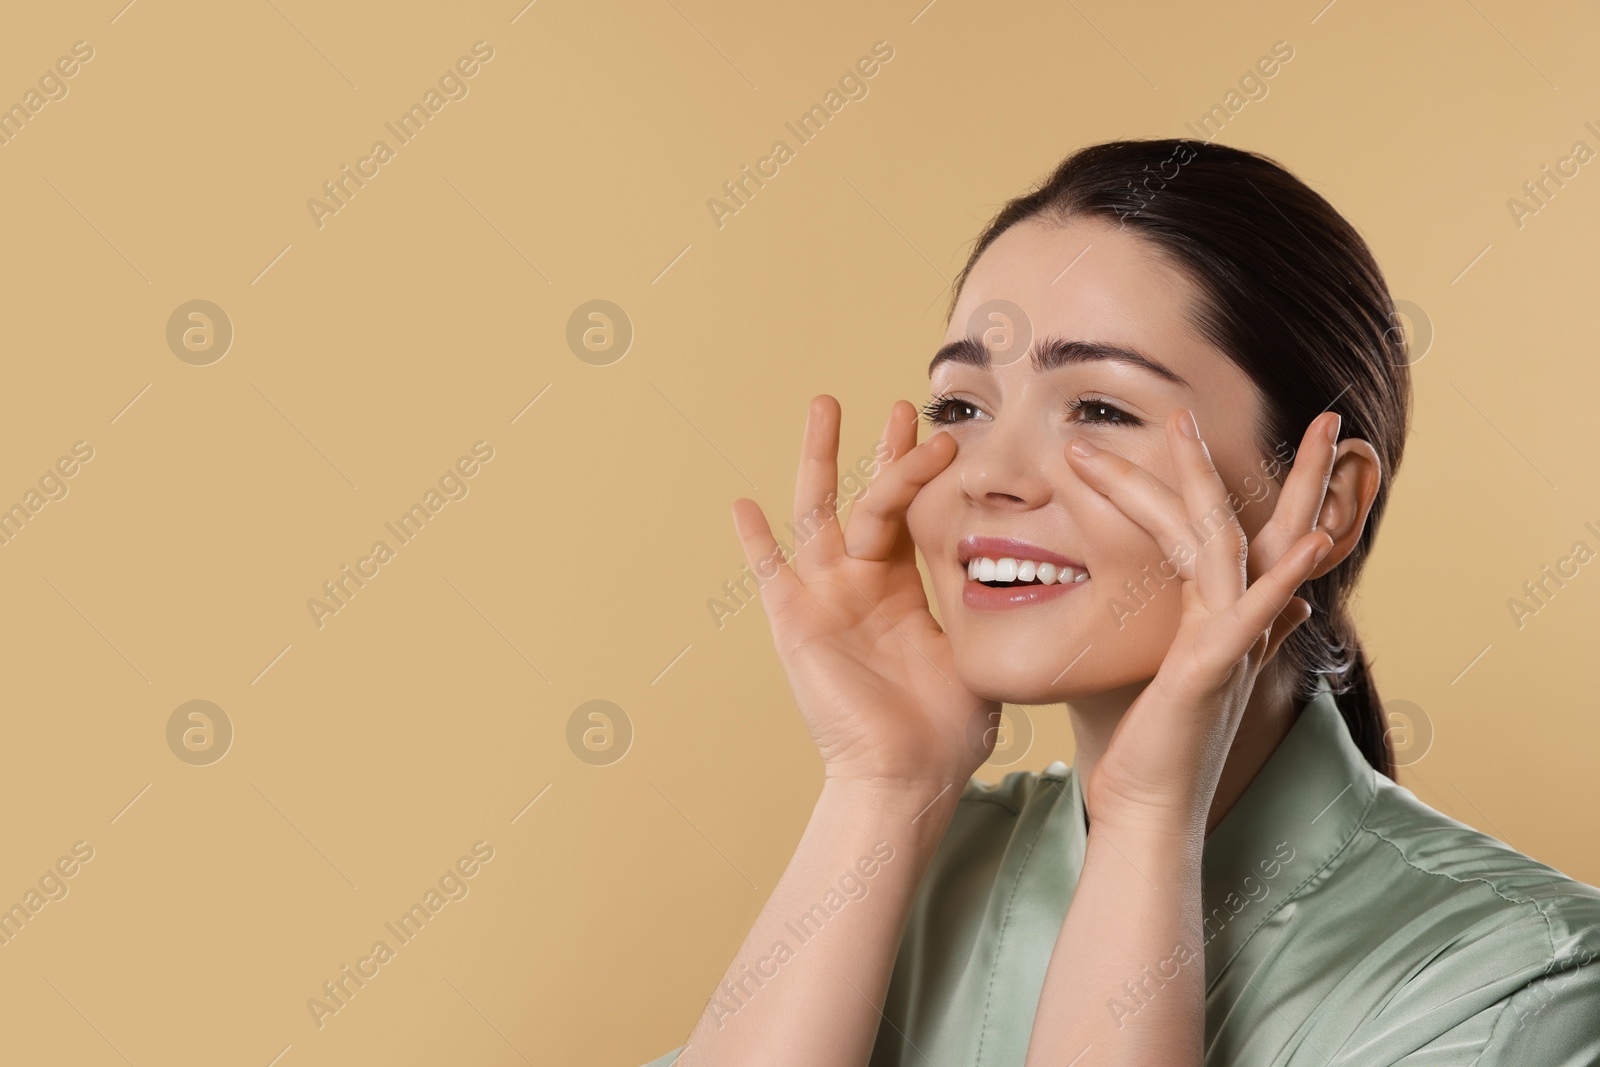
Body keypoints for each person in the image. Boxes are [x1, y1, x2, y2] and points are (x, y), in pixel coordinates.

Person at [639, 139, 1600, 1065]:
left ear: (1328, 500)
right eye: (962, 408)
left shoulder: (1525, 982)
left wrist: (1148, 823)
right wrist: (881, 783)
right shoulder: (906, 870)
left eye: (1100, 408)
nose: (990, 476)